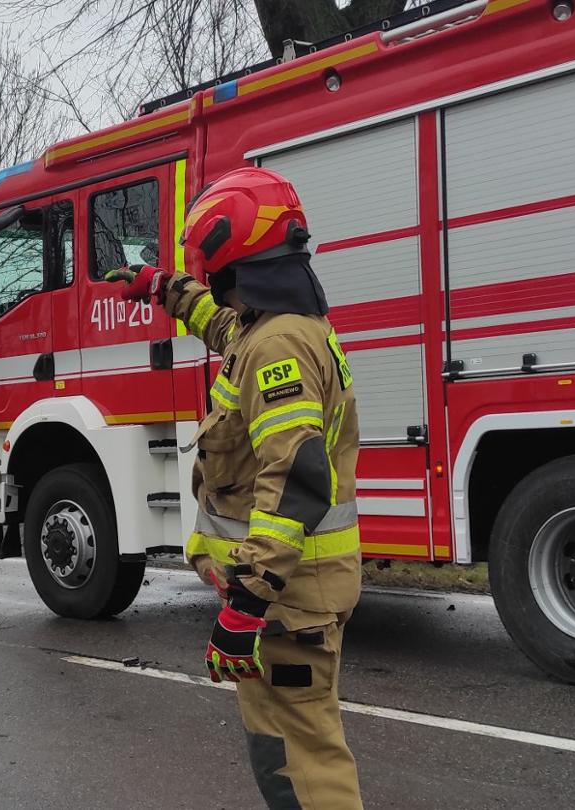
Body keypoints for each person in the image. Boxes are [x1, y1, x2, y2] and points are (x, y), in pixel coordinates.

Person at [112, 166, 364, 809]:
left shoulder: (277, 343)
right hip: (287, 595)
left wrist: (248, 601)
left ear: (235, 253)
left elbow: (299, 477)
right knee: (280, 752)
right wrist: (163, 288)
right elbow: (218, 325)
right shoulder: (267, 329)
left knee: (306, 762)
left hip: (284, 600)